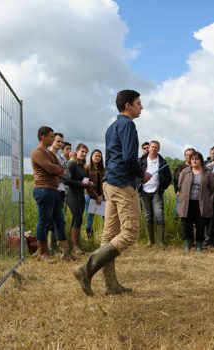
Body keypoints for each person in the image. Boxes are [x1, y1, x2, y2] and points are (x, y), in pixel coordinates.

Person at [73, 89, 151, 296]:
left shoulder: (112, 127)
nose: (141, 107)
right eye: (138, 103)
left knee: (109, 236)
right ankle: (85, 269)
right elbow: (128, 157)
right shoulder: (128, 125)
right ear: (128, 105)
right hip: (123, 184)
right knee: (129, 233)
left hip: (110, 183)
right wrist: (142, 174)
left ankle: (111, 285)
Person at [31, 126, 66, 263]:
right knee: (44, 221)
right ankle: (42, 253)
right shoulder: (37, 152)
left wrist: (57, 169)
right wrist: (56, 169)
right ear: (43, 137)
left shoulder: (51, 154)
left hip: (53, 189)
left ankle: (66, 252)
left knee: (60, 221)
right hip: (43, 189)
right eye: (51, 136)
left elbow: (60, 169)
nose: (53, 138)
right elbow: (51, 168)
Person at [177, 151, 214, 252]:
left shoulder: (207, 173)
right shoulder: (185, 171)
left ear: (201, 161)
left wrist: (205, 196)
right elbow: (180, 185)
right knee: (187, 223)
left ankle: (199, 244)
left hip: (201, 202)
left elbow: (212, 188)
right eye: (192, 159)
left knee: (200, 224)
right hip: (187, 202)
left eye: (197, 159)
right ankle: (187, 243)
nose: (194, 160)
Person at [64, 143, 96, 258]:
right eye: (82, 151)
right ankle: (75, 247)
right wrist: (80, 183)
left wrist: (88, 183)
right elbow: (66, 181)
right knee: (77, 217)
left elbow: (83, 179)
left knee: (78, 219)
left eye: (86, 152)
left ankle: (75, 246)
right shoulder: (71, 164)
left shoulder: (82, 166)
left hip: (81, 195)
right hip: (71, 195)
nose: (84, 154)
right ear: (77, 151)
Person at [139, 140, 172, 247]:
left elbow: (169, 178)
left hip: (157, 192)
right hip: (144, 192)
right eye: (152, 147)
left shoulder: (163, 162)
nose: (153, 149)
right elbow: (135, 175)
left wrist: (162, 187)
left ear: (159, 149)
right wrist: (139, 183)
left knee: (159, 215)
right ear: (148, 148)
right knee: (148, 216)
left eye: (156, 147)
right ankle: (150, 241)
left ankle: (161, 242)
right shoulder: (141, 161)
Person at [84, 149, 105, 239]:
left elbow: (105, 184)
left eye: (99, 156)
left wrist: (101, 196)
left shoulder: (103, 170)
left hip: (102, 197)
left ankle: (107, 237)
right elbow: (86, 185)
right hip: (90, 197)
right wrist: (96, 196)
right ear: (91, 157)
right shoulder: (87, 168)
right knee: (90, 219)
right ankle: (90, 240)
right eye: (95, 155)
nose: (97, 157)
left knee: (107, 217)